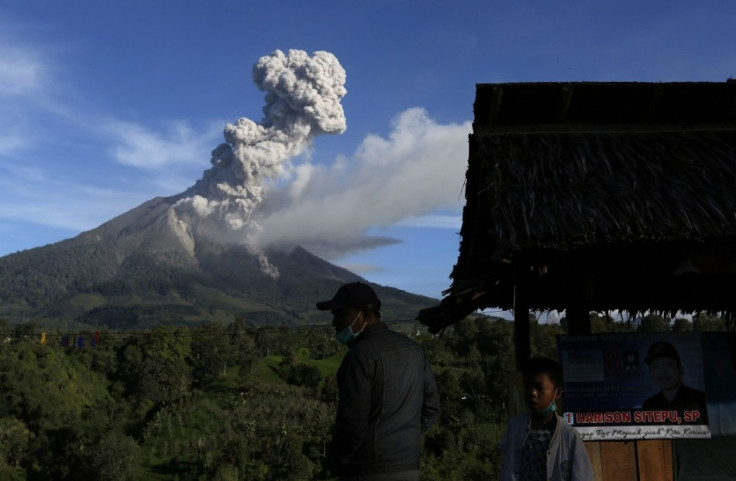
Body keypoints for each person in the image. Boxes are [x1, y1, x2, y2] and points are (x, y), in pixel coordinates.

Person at [317, 281, 441, 481]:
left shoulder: (359, 357)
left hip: (366, 470)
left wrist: (336, 463)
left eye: (341, 314)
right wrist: (401, 440)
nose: (335, 322)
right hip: (408, 469)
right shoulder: (414, 350)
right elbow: (432, 408)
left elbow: (352, 426)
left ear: (366, 315)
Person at [499, 357, 593, 481]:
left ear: (557, 393)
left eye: (539, 387)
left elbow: (582, 476)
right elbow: (507, 464)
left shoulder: (568, 436)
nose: (533, 393)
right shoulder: (515, 426)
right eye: (528, 387)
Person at [641, 340, 708, 422]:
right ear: (650, 373)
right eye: (656, 366)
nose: (663, 372)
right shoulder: (649, 405)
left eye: (669, 365)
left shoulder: (700, 399)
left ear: (680, 370)